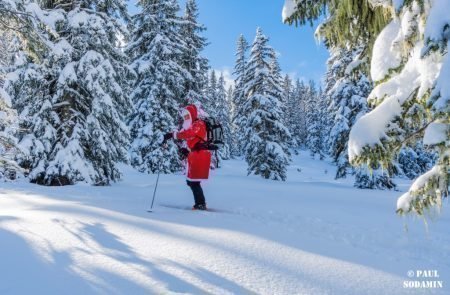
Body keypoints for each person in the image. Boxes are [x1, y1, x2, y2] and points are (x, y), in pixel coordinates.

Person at [163, 105, 211, 210]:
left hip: (201, 155)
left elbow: (188, 134)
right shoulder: (194, 124)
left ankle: (200, 204)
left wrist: (173, 135)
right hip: (196, 154)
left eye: (186, 115)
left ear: (192, 114)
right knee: (191, 181)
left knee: (194, 182)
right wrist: (187, 150)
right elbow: (193, 140)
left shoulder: (199, 124)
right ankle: (200, 203)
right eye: (184, 116)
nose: (185, 118)